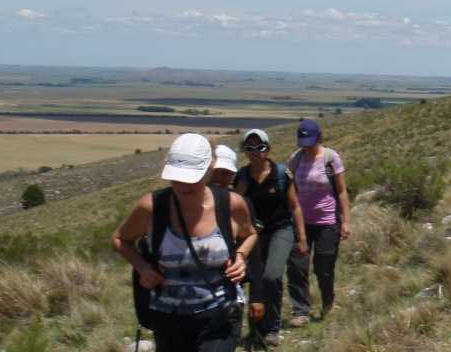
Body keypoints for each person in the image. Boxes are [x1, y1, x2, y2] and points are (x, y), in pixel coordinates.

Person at [112, 133, 257, 352]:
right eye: (176, 177)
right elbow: (120, 239)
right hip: (168, 319)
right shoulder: (152, 208)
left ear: (210, 168)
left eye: (192, 178)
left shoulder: (231, 205)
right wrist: (142, 267)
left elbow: (250, 234)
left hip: (220, 314)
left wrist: (241, 256)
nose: (182, 185)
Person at [234, 129, 308, 347]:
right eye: (249, 148)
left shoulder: (281, 174)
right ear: (245, 151)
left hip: (280, 229)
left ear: (268, 149)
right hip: (253, 234)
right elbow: (235, 207)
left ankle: (272, 329)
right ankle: (256, 330)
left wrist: (302, 238)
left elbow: (295, 207)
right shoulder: (243, 177)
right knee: (254, 279)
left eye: (260, 147)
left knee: (272, 275)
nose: (255, 152)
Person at [286, 119, 351, 327]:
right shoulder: (295, 160)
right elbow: (291, 191)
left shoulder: (331, 159)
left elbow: (341, 191)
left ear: (319, 137)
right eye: (303, 141)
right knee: (297, 267)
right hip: (301, 222)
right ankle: (301, 310)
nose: (307, 145)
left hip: (327, 222)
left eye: (310, 141)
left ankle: (327, 301)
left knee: (324, 266)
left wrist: (346, 221)